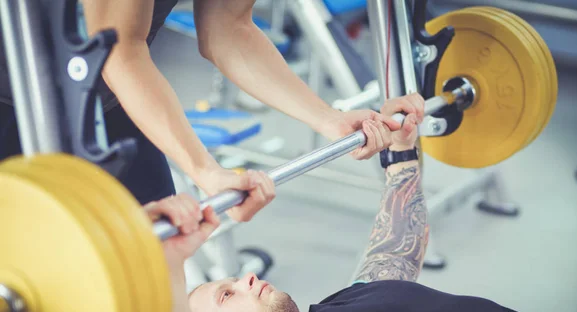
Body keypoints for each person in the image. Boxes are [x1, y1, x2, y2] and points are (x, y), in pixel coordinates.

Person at [130, 94, 577, 312]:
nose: (247, 277)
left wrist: (400, 155)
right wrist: (163, 266)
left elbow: (395, 250)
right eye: (227, 294)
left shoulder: (337, 310)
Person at [0, 0, 401, 222]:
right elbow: (120, 51)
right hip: (12, 101)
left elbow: (229, 30)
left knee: (154, 263)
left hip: (102, 98)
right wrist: (205, 170)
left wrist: (326, 118)